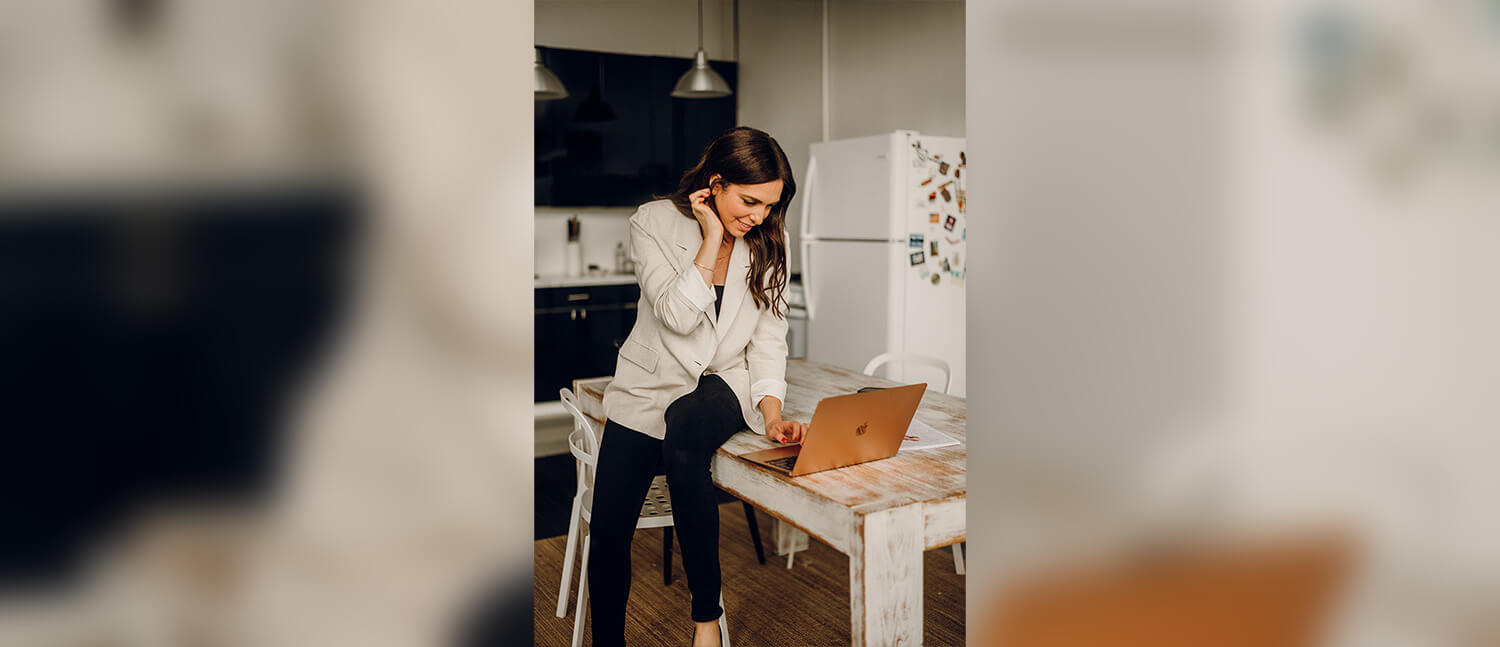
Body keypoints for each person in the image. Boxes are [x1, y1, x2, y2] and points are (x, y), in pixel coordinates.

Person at [593, 126, 808, 647]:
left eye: (769, 206)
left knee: (687, 439)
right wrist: (713, 237)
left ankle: (706, 622)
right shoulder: (653, 222)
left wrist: (772, 413)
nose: (758, 216)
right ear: (715, 183)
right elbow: (675, 315)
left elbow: (770, 341)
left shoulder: (766, 245)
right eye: (749, 201)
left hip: (722, 381)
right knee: (609, 532)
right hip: (650, 386)